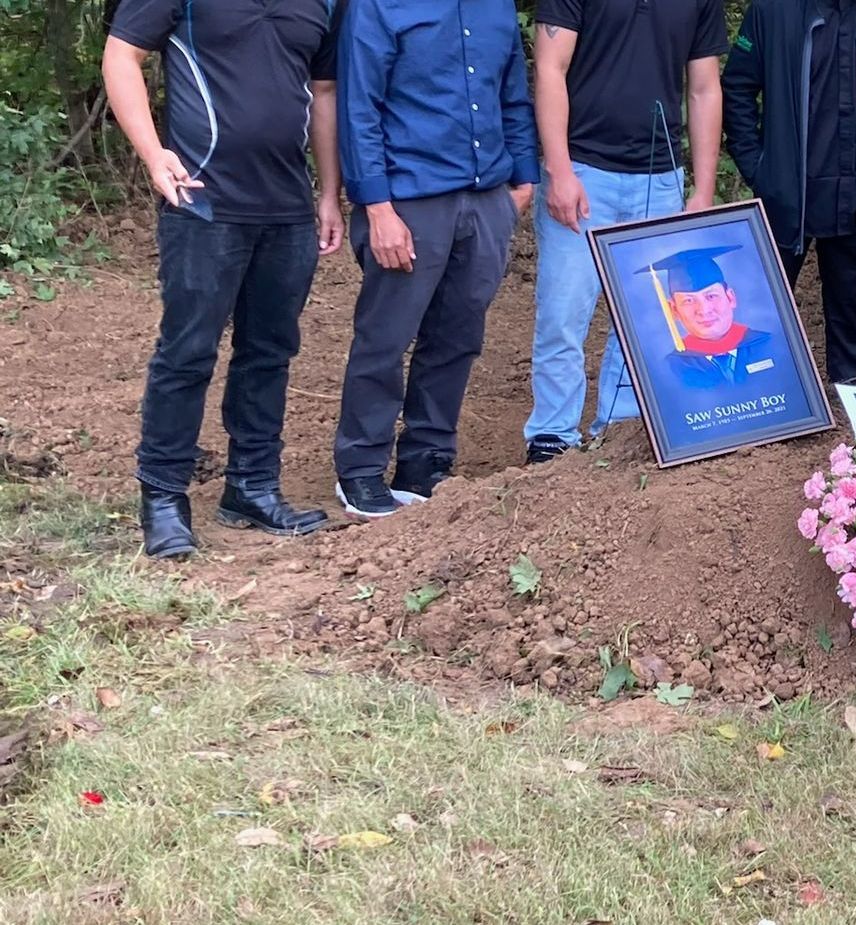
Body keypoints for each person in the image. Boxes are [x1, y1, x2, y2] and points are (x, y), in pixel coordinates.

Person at [101, 0, 344, 559]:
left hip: (286, 207)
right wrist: (152, 153)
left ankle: (252, 487)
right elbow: (122, 55)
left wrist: (329, 193)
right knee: (187, 352)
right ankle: (163, 498)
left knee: (270, 351)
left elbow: (324, 93)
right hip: (202, 201)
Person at [333, 0, 538, 519]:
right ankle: (359, 467)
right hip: (409, 200)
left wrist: (523, 177)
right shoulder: (378, 5)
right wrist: (377, 207)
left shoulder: (496, 9)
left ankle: (426, 460)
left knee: (457, 337)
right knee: (386, 335)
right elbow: (359, 107)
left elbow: (512, 96)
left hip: (486, 199)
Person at [522, 0, 729, 465]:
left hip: (660, 177)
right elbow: (551, 67)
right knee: (563, 311)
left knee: (642, 319)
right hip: (583, 169)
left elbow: (703, 88)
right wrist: (558, 170)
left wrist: (703, 188)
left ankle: (619, 432)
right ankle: (552, 437)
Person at [722, 0, 856, 385]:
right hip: (787, 195)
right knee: (760, 308)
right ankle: (755, 399)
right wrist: (758, 167)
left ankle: (851, 400)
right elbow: (737, 86)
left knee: (852, 312)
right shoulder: (771, 11)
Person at [644, 246, 781, 390]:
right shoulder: (668, 371)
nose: (704, 310)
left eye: (711, 296)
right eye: (688, 301)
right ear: (674, 310)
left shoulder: (774, 346)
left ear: (730, 298)